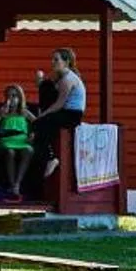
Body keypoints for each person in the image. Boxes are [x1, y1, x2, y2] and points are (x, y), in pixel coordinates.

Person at [28, 47, 88, 195]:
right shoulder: (61, 78)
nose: (53, 62)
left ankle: (52, 158)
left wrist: (43, 116)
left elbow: (59, 104)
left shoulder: (68, 79)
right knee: (40, 132)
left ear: (66, 61)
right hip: (65, 113)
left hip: (71, 114)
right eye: (52, 59)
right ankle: (44, 163)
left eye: (56, 59)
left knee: (37, 125)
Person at [0, 84, 33, 199]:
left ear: (20, 98)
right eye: (9, 96)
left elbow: (38, 124)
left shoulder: (24, 112)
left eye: (15, 96)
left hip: (22, 140)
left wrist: (33, 133)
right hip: (7, 140)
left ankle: (17, 184)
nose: (12, 99)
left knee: (28, 150)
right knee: (10, 152)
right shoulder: (3, 111)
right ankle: (11, 183)